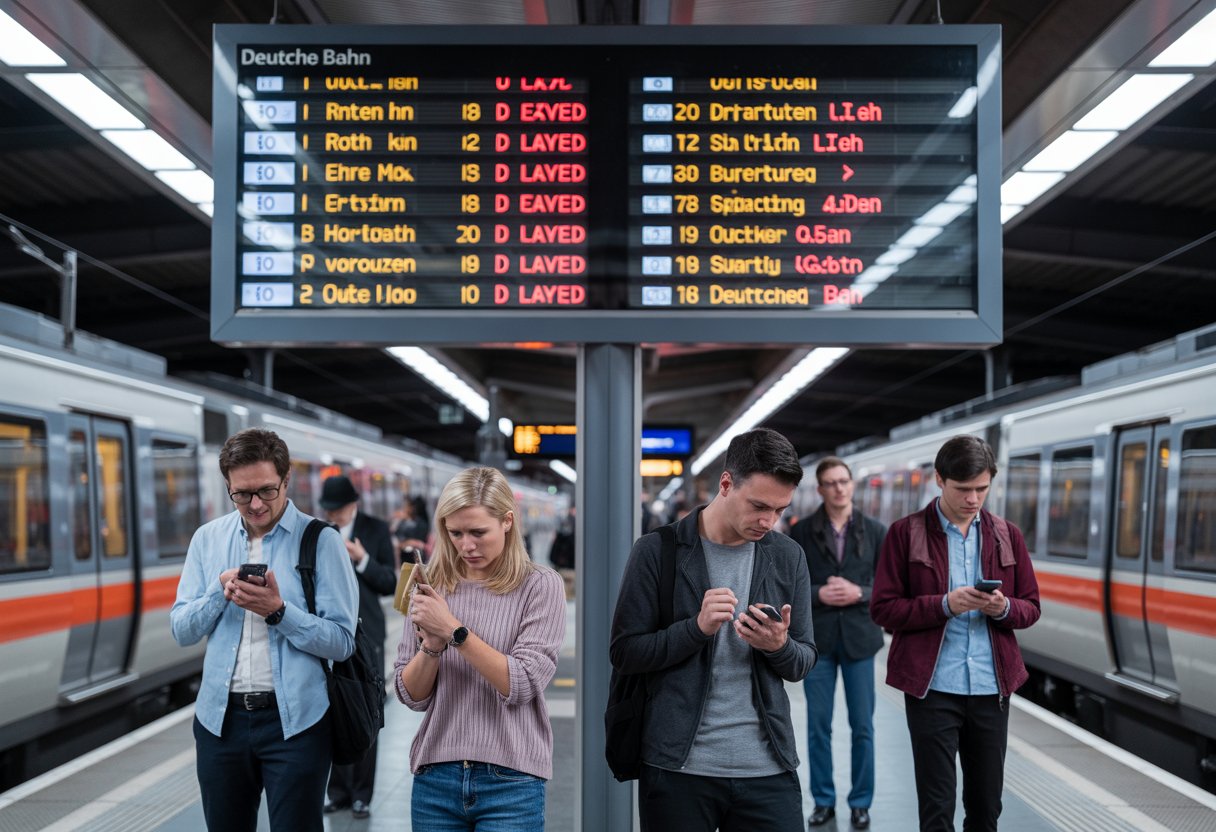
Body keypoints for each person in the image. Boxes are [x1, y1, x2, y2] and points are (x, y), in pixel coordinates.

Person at [609, 427, 817, 832]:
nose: (768, 521)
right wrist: (696, 628)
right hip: (677, 768)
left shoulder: (788, 556)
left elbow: (803, 660)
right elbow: (625, 652)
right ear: (725, 484)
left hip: (768, 767)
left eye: (779, 510)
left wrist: (778, 646)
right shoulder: (656, 551)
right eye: (759, 505)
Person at [170, 428, 358, 832]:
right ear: (228, 487)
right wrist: (219, 594)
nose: (255, 504)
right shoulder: (207, 539)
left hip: (297, 724)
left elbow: (342, 642)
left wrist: (278, 612)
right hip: (220, 723)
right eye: (242, 494)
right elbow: (181, 630)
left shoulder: (321, 542)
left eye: (267, 491)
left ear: (286, 480)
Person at [871, 435, 1041, 832]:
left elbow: (1031, 607)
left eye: (982, 488)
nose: (973, 498)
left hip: (990, 688)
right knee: (937, 806)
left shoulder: (1007, 535)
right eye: (963, 489)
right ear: (939, 480)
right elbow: (883, 610)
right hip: (932, 689)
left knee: (985, 807)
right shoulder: (904, 533)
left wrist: (1004, 609)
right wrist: (944, 605)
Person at [393, 467, 566, 830]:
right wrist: (433, 647)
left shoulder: (540, 585)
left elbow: (522, 683)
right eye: (454, 533)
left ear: (507, 521)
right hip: (435, 776)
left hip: (512, 781)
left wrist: (454, 631)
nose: (466, 545)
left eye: (478, 532)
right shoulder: (429, 585)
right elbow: (411, 695)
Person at [789, 457, 886, 830]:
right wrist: (820, 594)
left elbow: (890, 589)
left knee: (863, 726)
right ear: (820, 489)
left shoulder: (877, 531)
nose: (838, 488)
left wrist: (860, 592)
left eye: (843, 481)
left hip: (861, 642)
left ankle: (861, 802)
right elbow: (791, 588)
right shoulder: (800, 532)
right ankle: (824, 801)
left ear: (852, 485)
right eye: (830, 483)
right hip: (819, 642)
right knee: (818, 726)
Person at [318, 475, 397, 820]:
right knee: (332, 710)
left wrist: (363, 559)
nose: (333, 515)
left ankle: (363, 794)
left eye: (339, 509)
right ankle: (338, 792)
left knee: (366, 711)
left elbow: (390, 583)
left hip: (368, 635)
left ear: (353, 505)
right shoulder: (319, 532)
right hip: (331, 632)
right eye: (329, 510)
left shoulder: (376, 530)